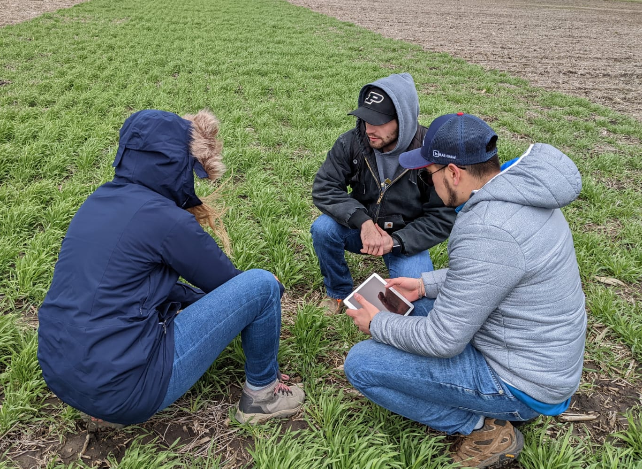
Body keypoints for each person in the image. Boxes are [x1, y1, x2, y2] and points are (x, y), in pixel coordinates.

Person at [343, 113, 586, 468]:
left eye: (430, 174)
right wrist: (425, 284)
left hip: (524, 384)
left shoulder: (487, 227)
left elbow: (443, 340)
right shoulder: (523, 194)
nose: (430, 182)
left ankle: (482, 428)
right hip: (540, 358)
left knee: (362, 364)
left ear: (454, 172)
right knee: (415, 308)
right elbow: (498, 271)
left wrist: (377, 324)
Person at [37, 109, 304, 428]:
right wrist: (273, 289)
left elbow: (139, 285)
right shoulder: (167, 219)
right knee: (260, 284)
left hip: (62, 375)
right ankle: (263, 396)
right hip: (126, 391)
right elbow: (230, 286)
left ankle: (99, 403)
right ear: (176, 162)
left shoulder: (97, 201)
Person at [311, 73, 456, 313]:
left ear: (404, 119)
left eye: (379, 122)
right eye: (366, 120)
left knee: (421, 309)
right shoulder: (352, 142)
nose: (369, 129)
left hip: (405, 238)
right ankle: (338, 292)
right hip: (362, 228)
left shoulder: (430, 153)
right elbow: (325, 187)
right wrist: (363, 221)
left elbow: (442, 217)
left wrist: (397, 241)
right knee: (323, 228)